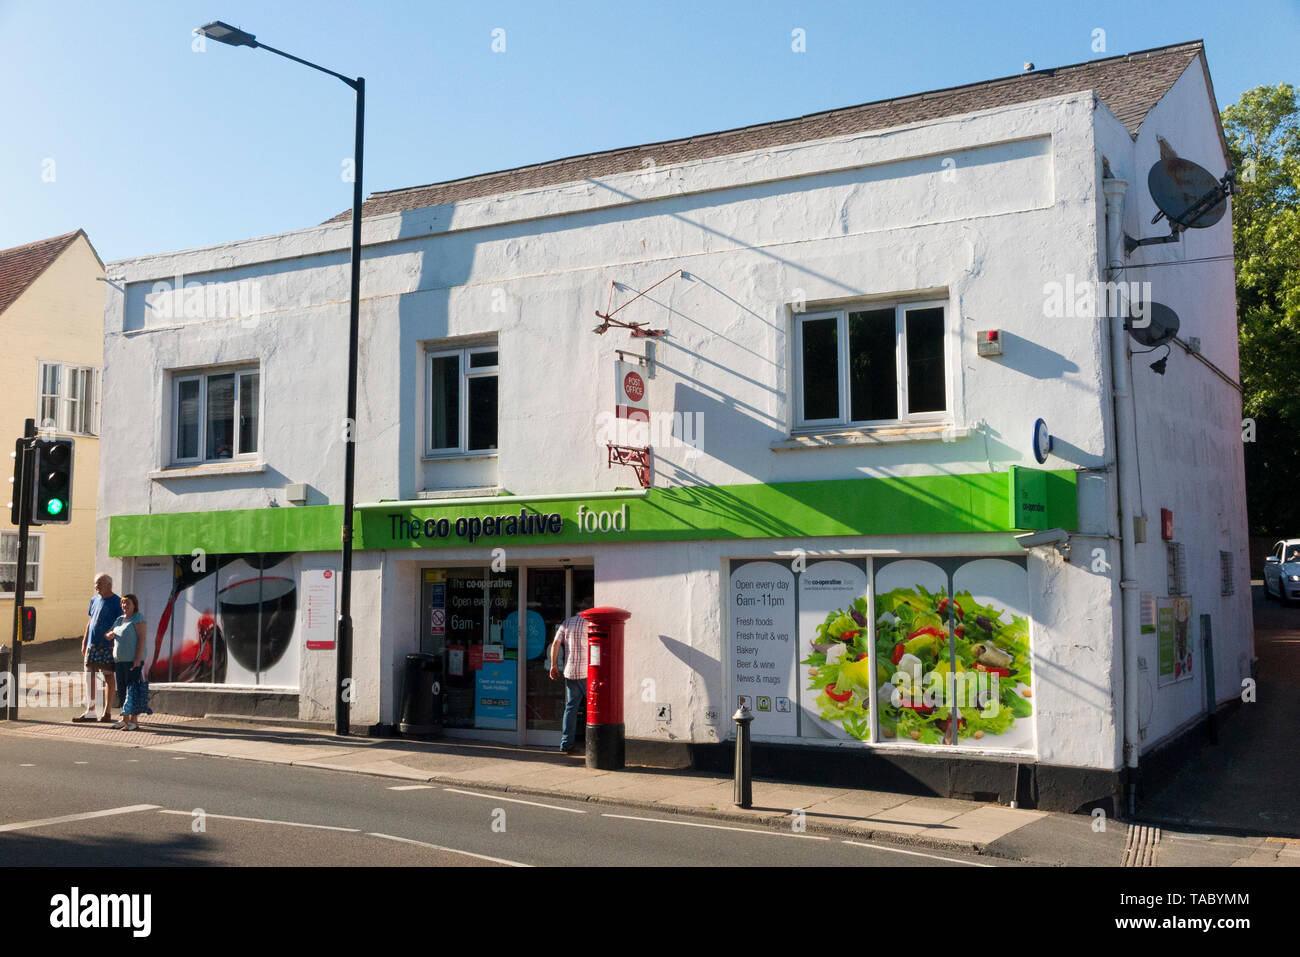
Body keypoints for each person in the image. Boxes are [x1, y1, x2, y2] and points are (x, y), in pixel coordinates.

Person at [72, 574, 122, 723]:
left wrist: (112, 636)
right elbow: (90, 621)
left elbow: (120, 623)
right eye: (95, 583)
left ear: (108, 584)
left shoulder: (117, 602)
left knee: (108, 676)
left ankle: (107, 712)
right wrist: (84, 640)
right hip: (91, 646)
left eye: (99, 583)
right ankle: (91, 711)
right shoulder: (94, 600)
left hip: (107, 646)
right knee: (89, 677)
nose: (96, 586)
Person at [548, 611, 589, 754]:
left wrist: (554, 665)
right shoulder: (590, 623)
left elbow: (555, 644)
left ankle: (566, 744)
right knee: (593, 708)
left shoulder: (567, 622)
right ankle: (593, 741)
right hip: (587, 672)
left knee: (570, 708)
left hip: (570, 671)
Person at [111, 594, 147, 731]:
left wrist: (137, 658)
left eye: (128, 604)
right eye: (123, 603)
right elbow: (112, 632)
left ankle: (134, 720)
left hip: (133, 660)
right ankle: (124, 718)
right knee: (121, 690)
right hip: (119, 660)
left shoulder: (138, 618)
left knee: (132, 689)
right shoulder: (119, 619)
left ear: (134, 605)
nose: (125, 606)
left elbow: (142, 639)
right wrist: (109, 635)